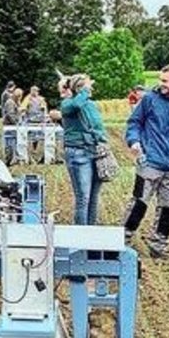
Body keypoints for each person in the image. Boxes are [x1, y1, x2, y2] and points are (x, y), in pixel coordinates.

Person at [123, 65, 169, 258]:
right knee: (139, 202)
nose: (160, 83)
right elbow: (134, 123)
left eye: (165, 80)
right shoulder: (149, 100)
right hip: (149, 161)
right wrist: (135, 141)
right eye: (160, 79)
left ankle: (159, 244)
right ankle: (123, 239)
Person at [59, 74, 108, 225]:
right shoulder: (68, 104)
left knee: (93, 198)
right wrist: (84, 91)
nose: (91, 89)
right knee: (83, 198)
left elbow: (99, 126)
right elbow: (76, 105)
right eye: (87, 87)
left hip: (95, 151)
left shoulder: (90, 105)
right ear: (79, 89)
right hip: (78, 152)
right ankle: (81, 237)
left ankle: (91, 233)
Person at [1, 87, 24, 161]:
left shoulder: (14, 102)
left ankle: (15, 157)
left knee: (14, 141)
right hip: (9, 125)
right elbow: (10, 114)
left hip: (13, 125)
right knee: (9, 143)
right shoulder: (10, 102)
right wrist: (16, 123)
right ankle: (8, 159)